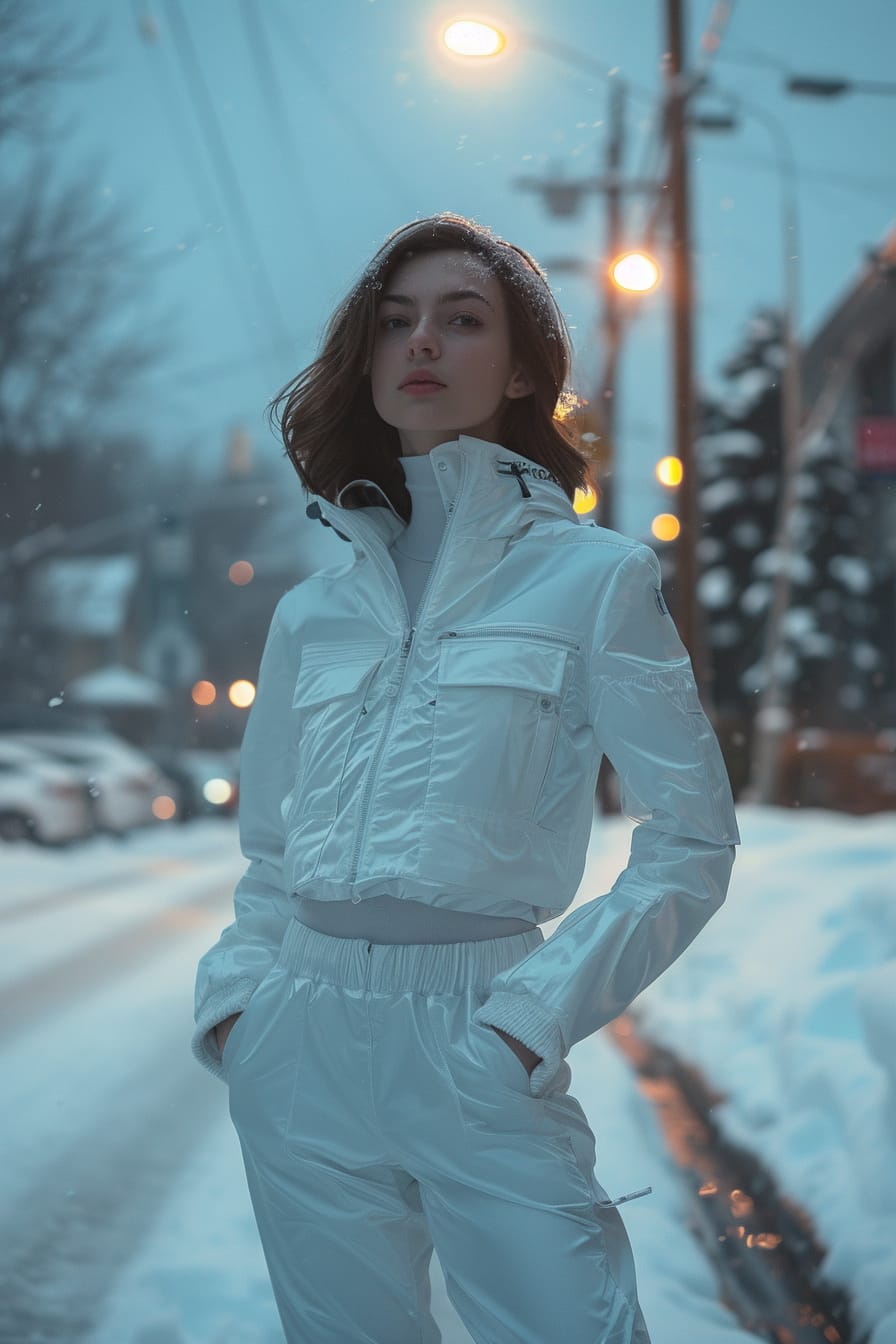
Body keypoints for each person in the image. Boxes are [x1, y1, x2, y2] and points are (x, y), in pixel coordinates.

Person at [191, 212, 741, 1344]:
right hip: (298, 1047)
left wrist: (527, 1023)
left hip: (476, 1035)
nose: (421, 345)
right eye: (395, 323)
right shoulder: (313, 610)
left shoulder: (594, 581)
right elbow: (269, 854)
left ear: (525, 367)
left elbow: (690, 837)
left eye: (460, 319)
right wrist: (241, 1008)